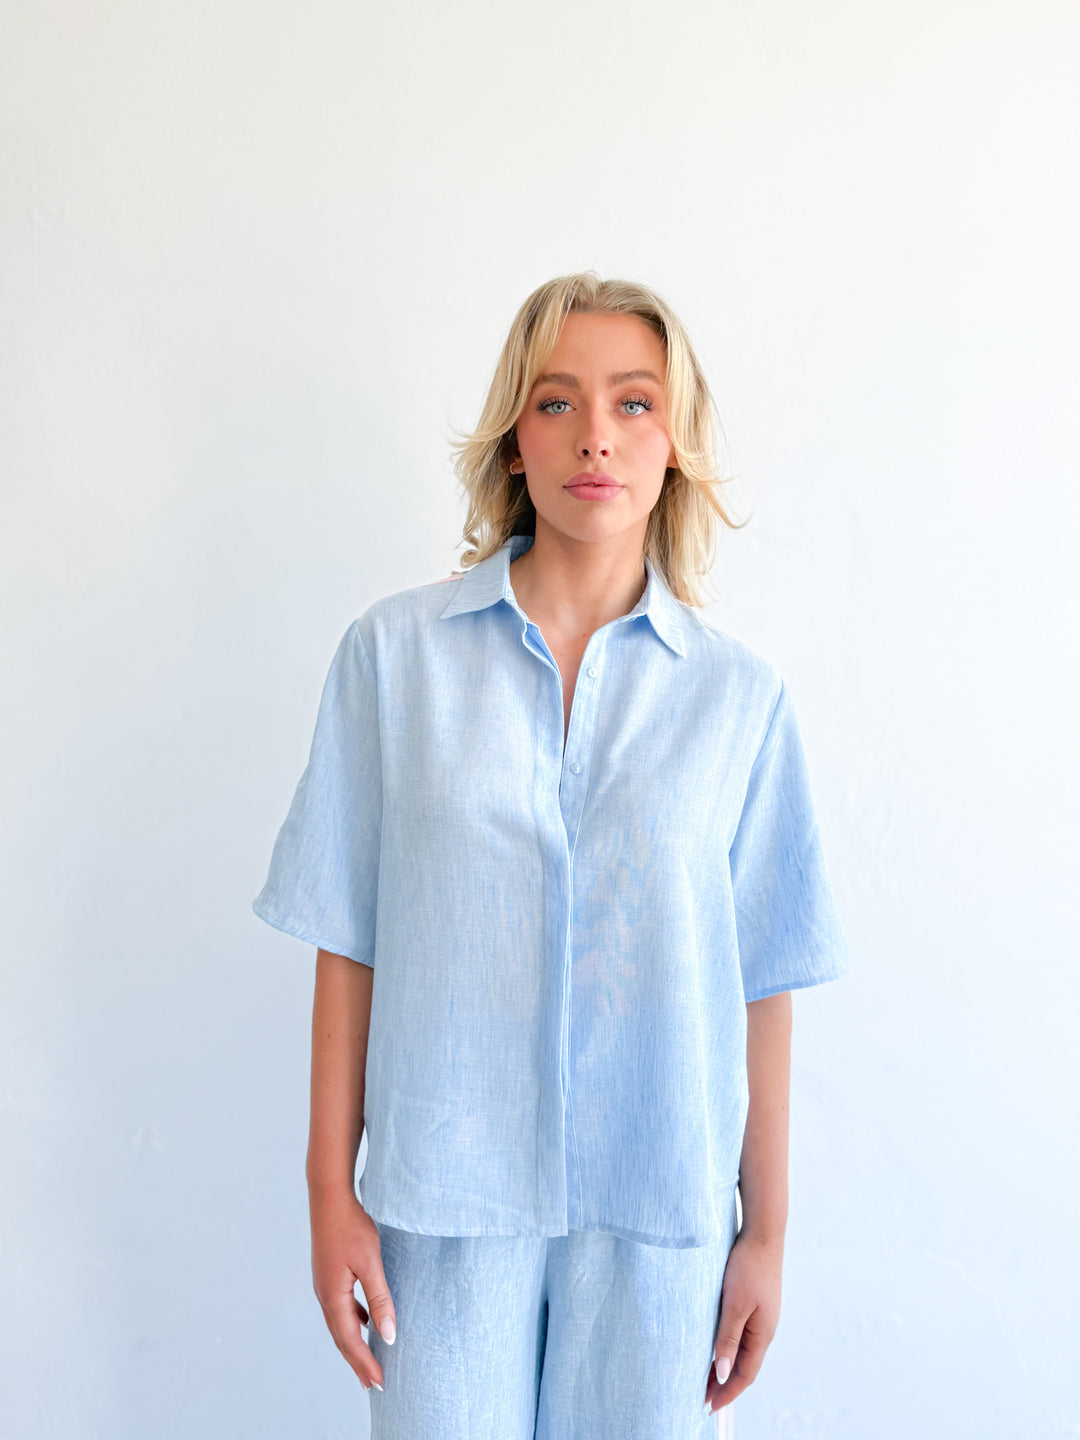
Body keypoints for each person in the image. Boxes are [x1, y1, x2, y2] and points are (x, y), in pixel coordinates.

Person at [252, 271, 851, 1439]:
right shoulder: (394, 661)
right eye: (557, 401)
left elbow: (763, 981)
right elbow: (347, 939)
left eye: (634, 402)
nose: (596, 436)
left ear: (674, 441)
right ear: (514, 437)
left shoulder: (740, 700)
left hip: (661, 1219)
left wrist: (767, 1234)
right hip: (440, 1205)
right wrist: (331, 1195)